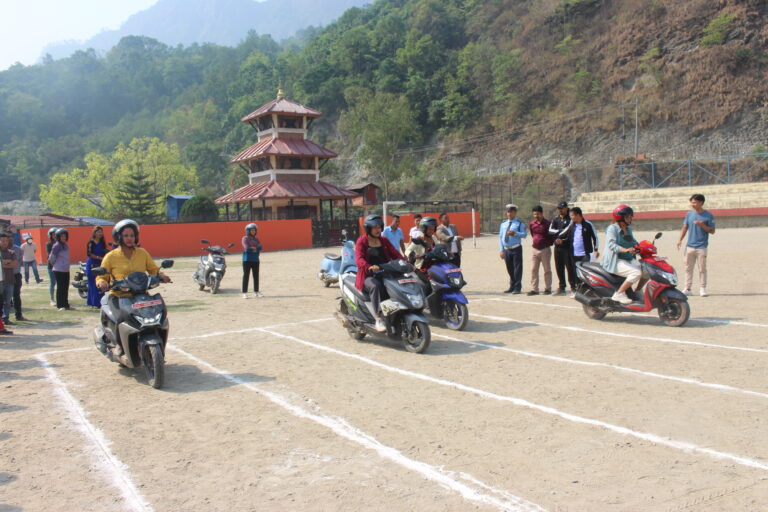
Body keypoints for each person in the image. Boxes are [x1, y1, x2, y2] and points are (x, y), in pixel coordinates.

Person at [96, 219, 170, 357]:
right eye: (126, 235)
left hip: (141, 295)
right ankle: (119, 345)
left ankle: (155, 342)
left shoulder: (142, 253)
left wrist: (161, 276)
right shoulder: (111, 256)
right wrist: (101, 282)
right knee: (120, 318)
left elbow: (153, 269)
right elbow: (102, 276)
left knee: (155, 315)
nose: (129, 238)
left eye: (132, 235)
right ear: (119, 237)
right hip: (119, 296)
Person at [355, 214, 403, 332]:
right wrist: (369, 267)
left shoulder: (384, 240)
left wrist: (405, 262)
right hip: (367, 275)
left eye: (379, 227)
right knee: (375, 286)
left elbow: (395, 253)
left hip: (384, 272)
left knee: (398, 284)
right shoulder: (362, 241)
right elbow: (359, 259)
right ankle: (378, 319)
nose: (378, 230)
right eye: (374, 227)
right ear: (368, 229)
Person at [601, 205, 641, 305]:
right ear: (620, 217)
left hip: (627, 259)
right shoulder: (612, 228)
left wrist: (643, 247)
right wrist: (626, 250)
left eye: (631, 216)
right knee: (636, 273)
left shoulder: (628, 228)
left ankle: (637, 291)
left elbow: (633, 242)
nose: (630, 218)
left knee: (645, 269)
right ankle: (619, 293)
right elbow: (611, 245)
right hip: (614, 261)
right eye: (628, 216)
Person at [676, 193, 715, 297]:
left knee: (702, 268)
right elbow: (685, 227)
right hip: (689, 246)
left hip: (702, 246)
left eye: (695, 202)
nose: (693, 204)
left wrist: (702, 225)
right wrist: (680, 239)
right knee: (688, 268)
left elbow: (712, 231)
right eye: (692, 202)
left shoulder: (708, 215)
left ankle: (702, 288)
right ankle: (687, 288)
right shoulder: (689, 214)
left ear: (701, 203)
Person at [498, 204, 527, 294]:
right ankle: (512, 286)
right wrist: (501, 250)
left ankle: (517, 287)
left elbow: (524, 234)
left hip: (516, 248)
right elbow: (500, 237)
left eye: (511, 212)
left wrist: (515, 233)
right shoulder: (503, 224)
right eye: (508, 212)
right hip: (507, 249)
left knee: (517, 269)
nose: (509, 214)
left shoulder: (519, 223)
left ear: (515, 213)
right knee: (510, 269)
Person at [549, 201, 576, 295]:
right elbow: (550, 231)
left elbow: (570, 232)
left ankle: (573, 286)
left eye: (562, 208)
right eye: (559, 208)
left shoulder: (570, 219)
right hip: (558, 247)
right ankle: (562, 286)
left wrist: (563, 240)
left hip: (567, 247)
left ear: (566, 208)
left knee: (570, 267)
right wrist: (557, 237)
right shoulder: (555, 219)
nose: (560, 210)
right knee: (559, 267)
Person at [405, 216, 440, 285]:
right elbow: (407, 250)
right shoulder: (419, 240)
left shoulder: (434, 238)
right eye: (429, 229)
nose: (431, 231)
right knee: (427, 284)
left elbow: (439, 246)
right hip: (422, 267)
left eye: (433, 229)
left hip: (434, 265)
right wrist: (412, 255)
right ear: (424, 229)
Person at [527, 205, 553, 296]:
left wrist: (546, 243)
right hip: (535, 249)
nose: (536, 216)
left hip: (545, 249)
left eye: (537, 214)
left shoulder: (548, 223)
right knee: (533, 269)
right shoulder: (532, 224)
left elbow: (551, 236)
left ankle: (548, 288)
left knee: (547, 270)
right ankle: (534, 289)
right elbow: (532, 234)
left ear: (542, 213)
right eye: (534, 214)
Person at [48, 228, 73, 311]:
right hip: (59, 270)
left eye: (65, 236)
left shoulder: (65, 245)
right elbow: (51, 258)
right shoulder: (57, 245)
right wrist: (56, 265)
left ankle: (66, 304)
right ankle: (60, 305)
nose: (64, 238)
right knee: (60, 288)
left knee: (65, 287)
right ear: (58, 237)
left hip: (66, 269)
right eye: (62, 236)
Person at [86, 226, 108, 308]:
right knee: (92, 283)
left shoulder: (102, 243)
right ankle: (94, 302)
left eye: (101, 232)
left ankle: (100, 302)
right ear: (94, 233)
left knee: (100, 282)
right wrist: (99, 258)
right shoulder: (91, 243)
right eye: (98, 232)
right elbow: (89, 254)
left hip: (100, 264)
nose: (100, 233)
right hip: (92, 264)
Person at [242, 223, 263, 299]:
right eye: (251, 230)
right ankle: (244, 293)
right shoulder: (245, 238)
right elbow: (246, 248)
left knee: (256, 276)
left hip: (256, 260)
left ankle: (256, 292)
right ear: (248, 231)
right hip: (247, 260)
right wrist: (255, 248)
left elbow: (261, 247)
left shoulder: (256, 239)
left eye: (254, 230)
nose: (253, 231)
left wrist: (253, 248)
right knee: (246, 276)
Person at [0, 232, 17, 325]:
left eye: (6, 241)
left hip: (10, 280)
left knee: (8, 302)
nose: (5, 243)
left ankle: (5, 318)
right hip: (1, 281)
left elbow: (15, 264)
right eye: (2, 241)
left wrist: (3, 263)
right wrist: (8, 262)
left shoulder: (11, 252)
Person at [11, 241, 26, 321]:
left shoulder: (17, 249)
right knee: (4, 298)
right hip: (4, 276)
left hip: (16, 274)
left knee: (16, 295)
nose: (9, 239)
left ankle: (18, 315)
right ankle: (5, 318)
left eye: (10, 236)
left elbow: (18, 262)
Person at [45, 227, 57, 306]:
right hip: (52, 266)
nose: (55, 236)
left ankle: (61, 298)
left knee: (60, 283)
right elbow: (50, 256)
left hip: (60, 266)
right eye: (53, 234)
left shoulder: (61, 244)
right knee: (53, 282)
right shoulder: (49, 244)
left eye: (56, 234)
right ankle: (52, 299)